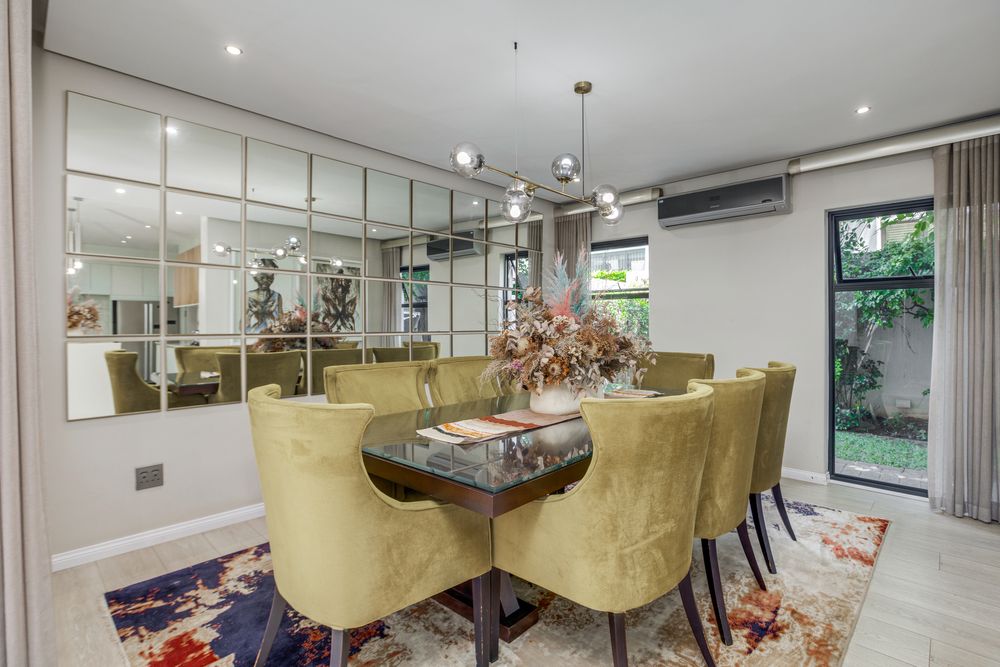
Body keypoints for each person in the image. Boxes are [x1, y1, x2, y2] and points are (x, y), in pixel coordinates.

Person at [246, 258, 283, 333]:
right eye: (262, 277)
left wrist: (271, 315)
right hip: (255, 332)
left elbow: (281, 320)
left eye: (270, 278)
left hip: (271, 332)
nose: (266, 280)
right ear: (255, 278)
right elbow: (243, 326)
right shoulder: (249, 296)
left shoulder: (276, 296)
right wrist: (250, 313)